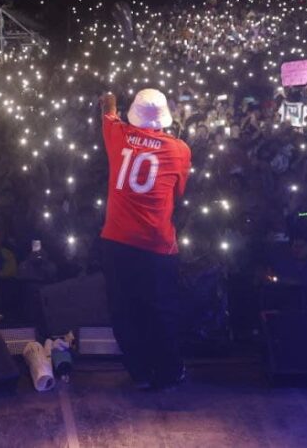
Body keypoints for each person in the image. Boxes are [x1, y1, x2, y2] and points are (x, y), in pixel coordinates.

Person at [99, 89, 191, 392]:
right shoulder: (179, 150)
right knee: (161, 310)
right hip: (156, 246)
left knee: (123, 310)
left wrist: (109, 101)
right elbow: (178, 193)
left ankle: (139, 372)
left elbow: (107, 113)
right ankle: (168, 371)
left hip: (117, 242)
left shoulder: (118, 135)